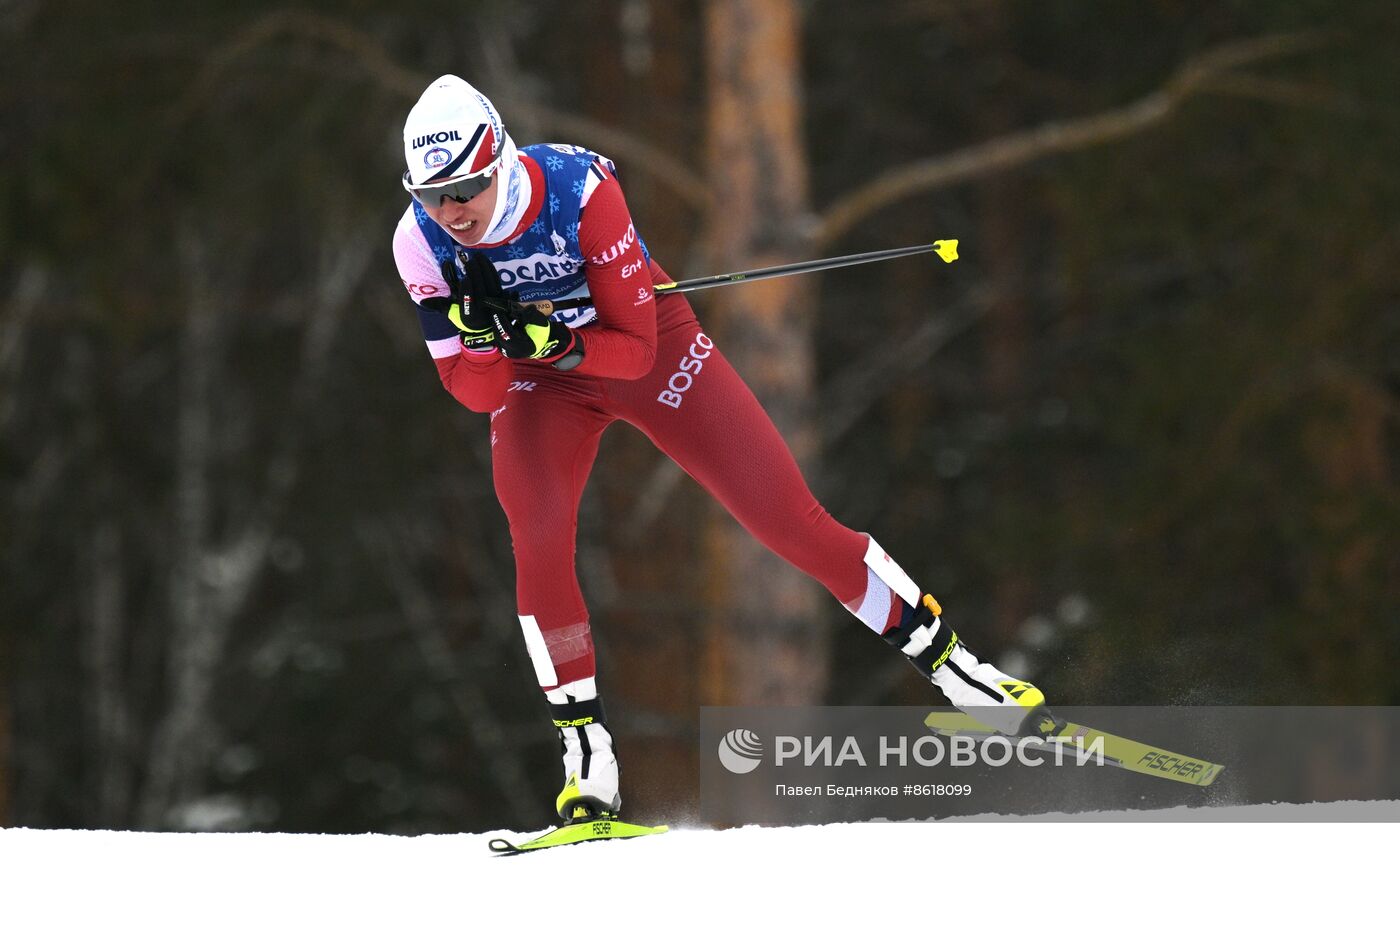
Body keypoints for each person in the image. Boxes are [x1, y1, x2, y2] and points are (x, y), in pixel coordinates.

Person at [393, 75, 1050, 825]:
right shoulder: (419, 243)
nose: (451, 212)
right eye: (431, 195)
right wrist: (484, 343)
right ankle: (588, 760)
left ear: (500, 163)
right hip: (540, 386)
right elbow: (472, 392)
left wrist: (552, 338)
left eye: (466, 188)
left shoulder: (578, 189)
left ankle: (959, 670)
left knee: (785, 520)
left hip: (640, 347)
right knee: (538, 543)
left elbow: (634, 352)